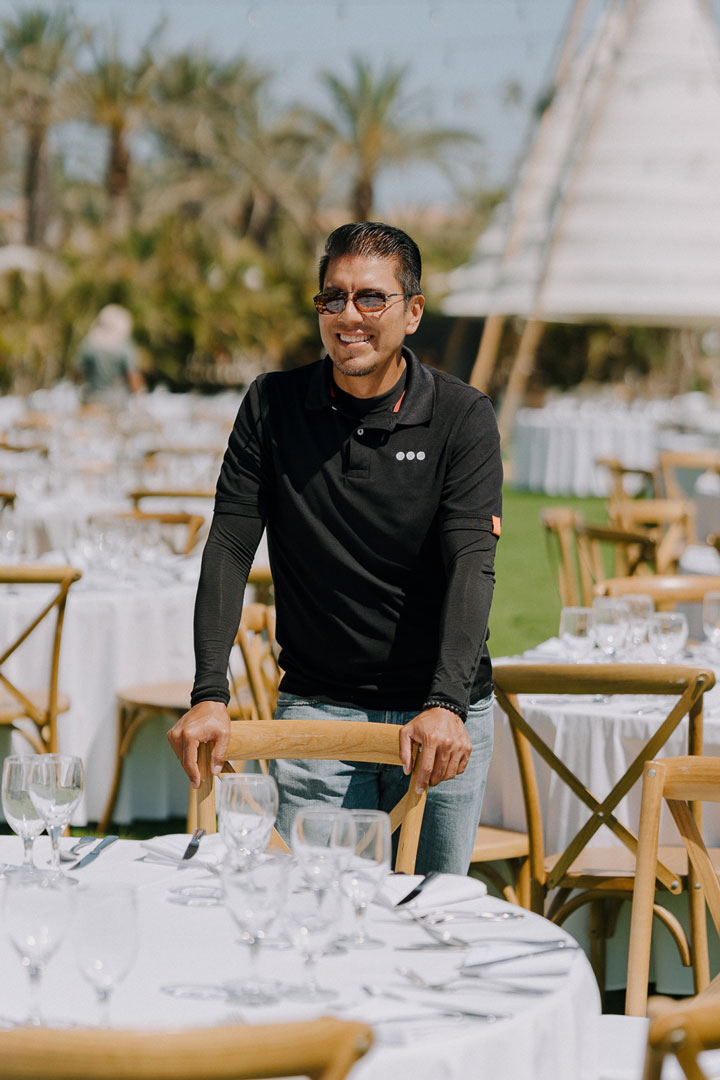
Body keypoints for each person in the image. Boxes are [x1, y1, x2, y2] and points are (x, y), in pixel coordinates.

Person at [168, 222, 502, 874]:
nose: (349, 316)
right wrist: (209, 691)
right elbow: (230, 544)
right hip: (318, 712)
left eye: (371, 298)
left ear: (413, 312)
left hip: (439, 718)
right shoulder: (271, 405)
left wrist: (445, 705)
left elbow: (473, 564)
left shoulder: (462, 416)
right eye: (334, 297)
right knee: (318, 914)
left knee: (429, 918)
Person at [73, 304, 145, 406]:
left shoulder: (89, 343)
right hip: (118, 403)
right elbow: (134, 379)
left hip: (92, 399)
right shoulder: (124, 345)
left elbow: (76, 373)